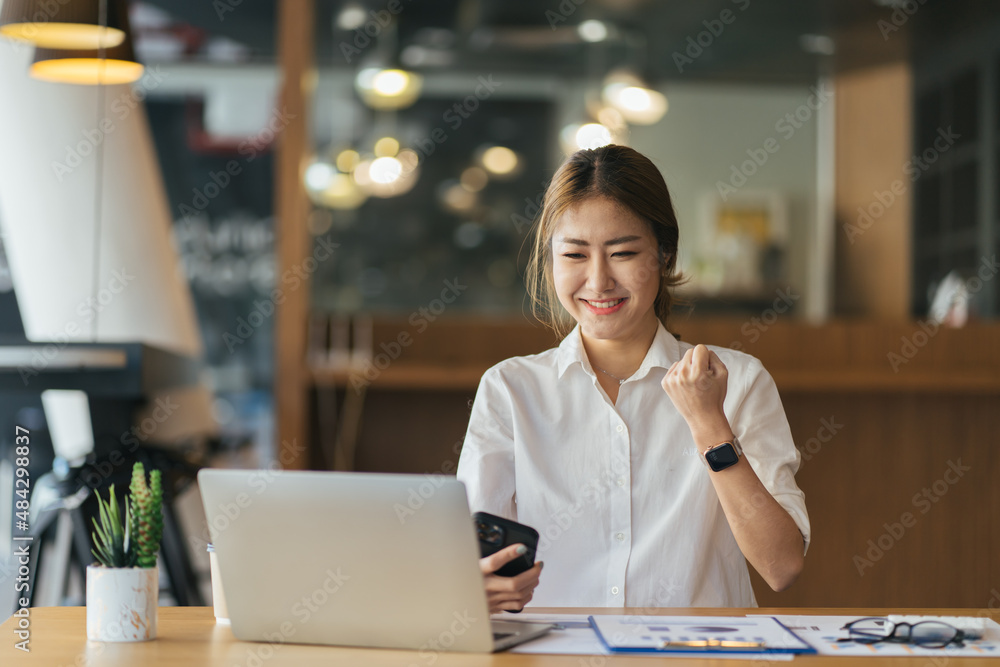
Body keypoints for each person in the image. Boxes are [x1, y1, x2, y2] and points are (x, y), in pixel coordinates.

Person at [459, 144, 810, 611]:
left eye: (622, 252)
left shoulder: (738, 381)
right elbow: (467, 561)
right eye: (575, 255)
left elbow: (781, 566)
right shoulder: (510, 389)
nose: (599, 280)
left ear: (665, 256)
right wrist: (473, 588)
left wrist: (708, 424)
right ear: (550, 260)